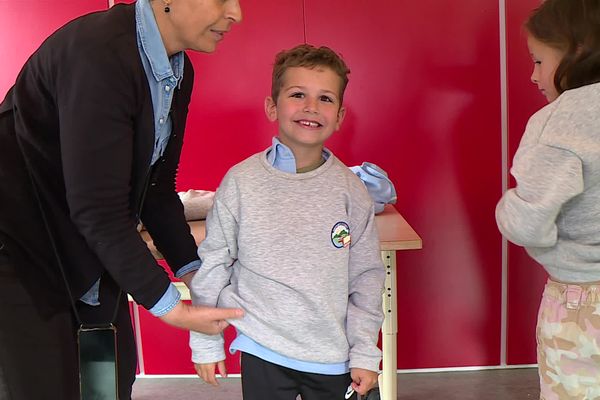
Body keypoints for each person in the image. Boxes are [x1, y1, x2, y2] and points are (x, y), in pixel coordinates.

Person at [0, 0, 244, 399]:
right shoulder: (97, 54)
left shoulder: (177, 68)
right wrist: (173, 308)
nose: (236, 13)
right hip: (21, 248)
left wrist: (195, 275)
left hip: (87, 248)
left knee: (108, 380)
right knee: (44, 384)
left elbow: (156, 189)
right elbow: (98, 209)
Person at [189, 44, 385, 400]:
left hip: (332, 354)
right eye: (298, 94)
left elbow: (367, 279)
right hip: (262, 346)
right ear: (272, 106)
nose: (311, 107)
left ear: (340, 115)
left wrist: (365, 353)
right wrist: (206, 341)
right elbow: (214, 264)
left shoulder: (351, 191)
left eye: (325, 99)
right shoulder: (241, 182)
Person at [495, 0, 600, 398]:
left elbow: (526, 224)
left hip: (581, 302)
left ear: (575, 51)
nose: (533, 75)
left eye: (538, 61)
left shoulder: (556, 122)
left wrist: (509, 206)